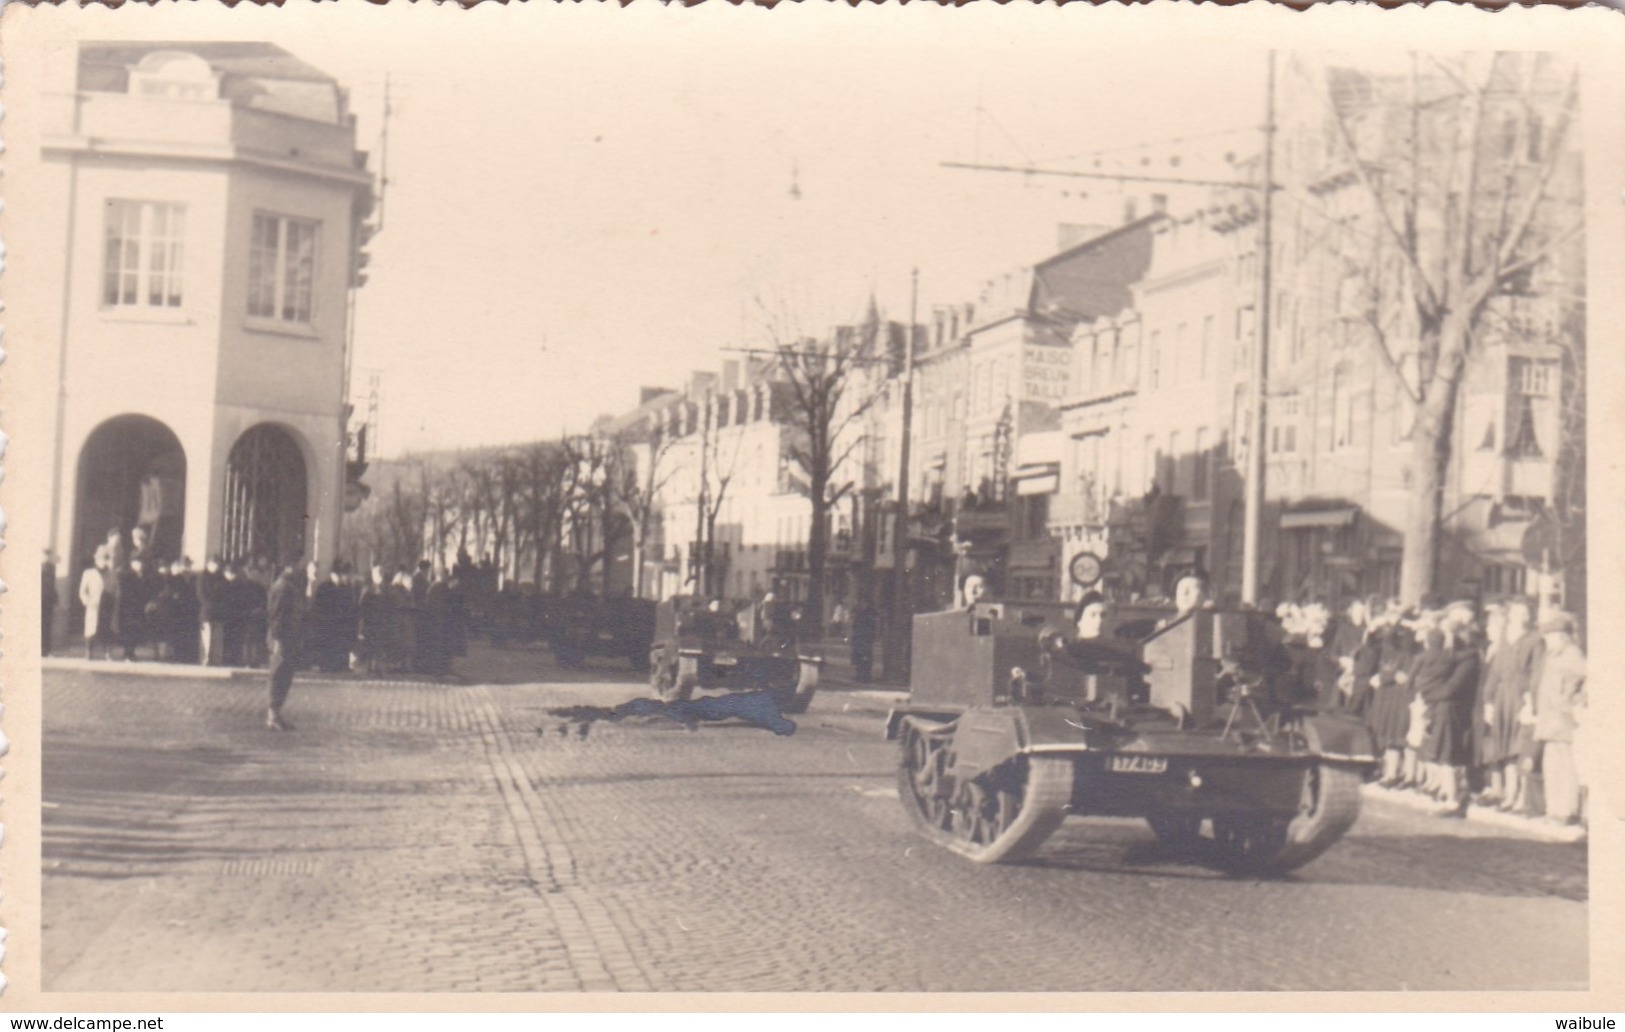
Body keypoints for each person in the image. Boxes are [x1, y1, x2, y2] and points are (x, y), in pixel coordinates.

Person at [1531, 611, 1586, 826]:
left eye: (1550, 636)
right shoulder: (1553, 656)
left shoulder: (1573, 655)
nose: (1547, 640)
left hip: (1563, 720)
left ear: (1563, 636)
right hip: (1549, 719)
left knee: (1565, 765)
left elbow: (1588, 677)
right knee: (1551, 765)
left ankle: (1566, 810)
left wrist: (1573, 701)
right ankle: (1553, 809)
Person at [265, 563, 307, 731]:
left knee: (284, 674)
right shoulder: (283, 587)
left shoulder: (289, 586)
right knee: (278, 674)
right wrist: (277, 639)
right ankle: (273, 714)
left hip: (288, 637)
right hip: (281, 638)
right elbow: (276, 614)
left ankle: (276, 713)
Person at [79, 547, 114, 660]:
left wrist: (114, 599)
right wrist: (87, 601)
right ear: (96, 560)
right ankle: (89, 652)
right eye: (101, 559)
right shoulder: (89, 573)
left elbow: (117, 589)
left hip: (107, 605)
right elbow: (82, 591)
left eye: (105, 559)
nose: (103, 562)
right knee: (90, 629)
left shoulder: (112, 574)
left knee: (106, 629)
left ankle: (107, 653)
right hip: (93, 605)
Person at [42, 550, 60, 657]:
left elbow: (52, 585)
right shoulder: (38, 567)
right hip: (40, 599)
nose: (47, 558)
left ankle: (46, 650)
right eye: (45, 555)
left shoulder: (52, 568)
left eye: (49, 556)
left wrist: (55, 598)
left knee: (47, 626)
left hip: (48, 600)